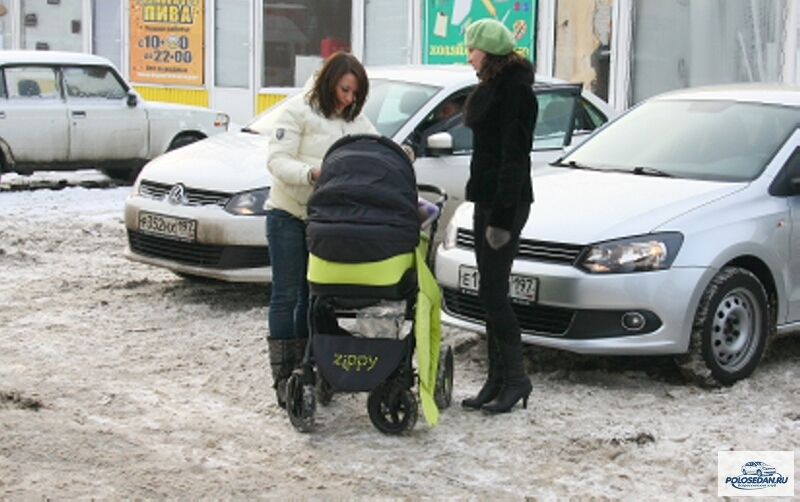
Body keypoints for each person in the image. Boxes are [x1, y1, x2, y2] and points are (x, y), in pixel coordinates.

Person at [265, 51, 376, 408]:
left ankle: (307, 367)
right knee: (286, 295)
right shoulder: (296, 111)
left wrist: (400, 153)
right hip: (288, 214)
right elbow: (277, 161)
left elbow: (377, 146)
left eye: (355, 95)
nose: (349, 99)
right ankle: (284, 376)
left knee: (311, 296)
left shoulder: (354, 120)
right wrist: (312, 174)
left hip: (324, 221)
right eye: (345, 90)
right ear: (330, 83)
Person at [459, 18, 538, 414]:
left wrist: (502, 220)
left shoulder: (516, 92)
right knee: (488, 294)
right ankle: (496, 379)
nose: (468, 55)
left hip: (505, 204)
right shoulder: (490, 87)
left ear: (487, 50)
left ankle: (516, 379)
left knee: (494, 293)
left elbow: (515, 158)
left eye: (471, 48)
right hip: (486, 201)